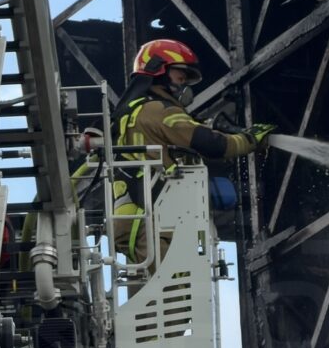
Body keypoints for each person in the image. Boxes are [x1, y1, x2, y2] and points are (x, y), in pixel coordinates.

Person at [109, 38, 274, 266]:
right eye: (180, 76)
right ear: (160, 71)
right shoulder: (158, 110)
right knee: (177, 288)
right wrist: (249, 139)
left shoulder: (135, 113)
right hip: (152, 216)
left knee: (164, 288)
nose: (183, 84)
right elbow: (214, 145)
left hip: (137, 215)